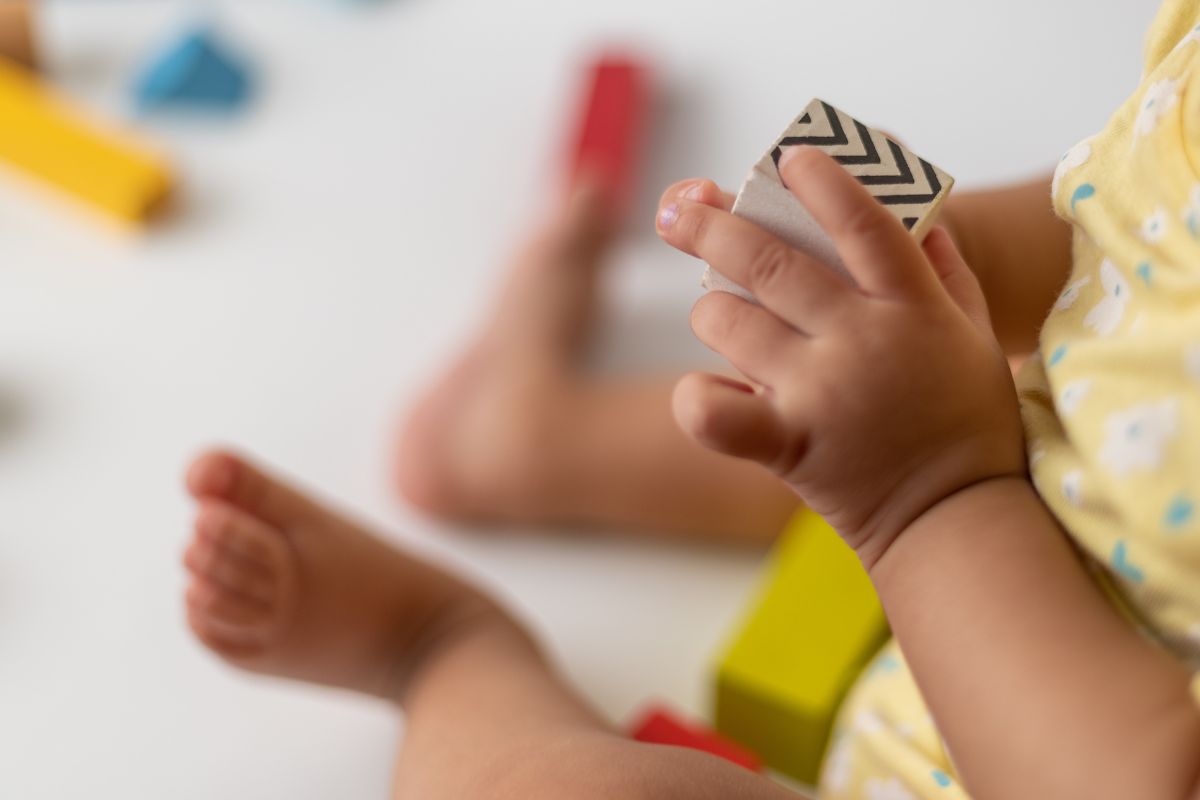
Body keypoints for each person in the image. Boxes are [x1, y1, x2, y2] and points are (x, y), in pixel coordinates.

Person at [181, 1, 1200, 796]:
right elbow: (1117, 241)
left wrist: (928, 495)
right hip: (1058, 500)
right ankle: (533, 433)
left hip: (1050, 712)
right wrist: (921, 272)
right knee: (857, 406)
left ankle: (435, 646)